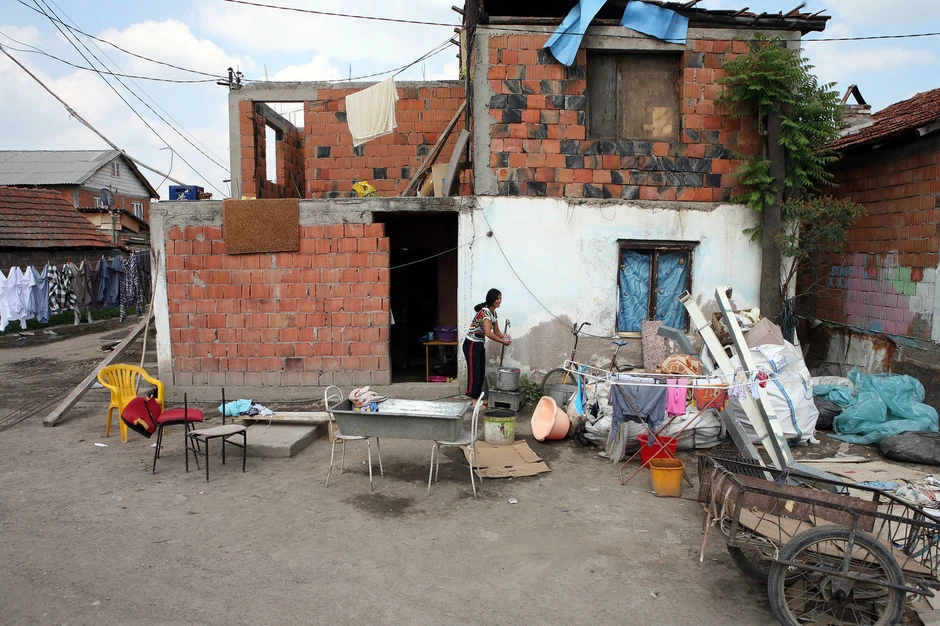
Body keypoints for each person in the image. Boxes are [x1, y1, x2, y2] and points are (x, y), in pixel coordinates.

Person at [463, 288, 510, 401]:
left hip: (478, 344)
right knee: (475, 372)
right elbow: (488, 333)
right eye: (497, 298)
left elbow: (497, 332)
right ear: (491, 299)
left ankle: (478, 399)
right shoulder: (485, 312)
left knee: (480, 371)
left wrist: (505, 336)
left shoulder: (493, 313)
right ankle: (474, 400)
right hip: (471, 344)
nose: (499, 300)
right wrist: (502, 342)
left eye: (500, 298)